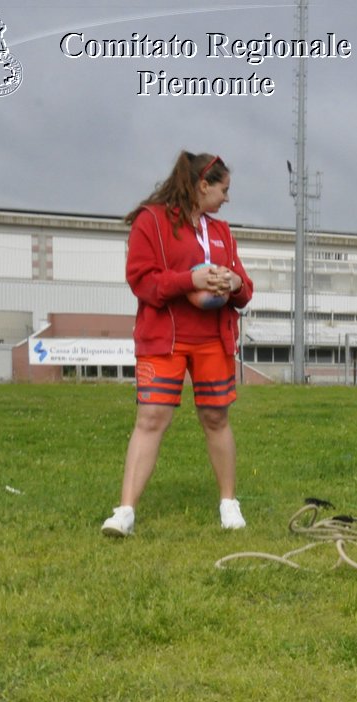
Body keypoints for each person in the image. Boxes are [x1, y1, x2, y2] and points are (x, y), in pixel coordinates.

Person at [102, 151, 253, 537]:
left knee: (216, 418)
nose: (227, 199)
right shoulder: (150, 221)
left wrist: (233, 283)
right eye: (224, 189)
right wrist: (192, 280)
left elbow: (245, 286)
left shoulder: (221, 231)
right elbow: (143, 281)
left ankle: (229, 504)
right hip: (163, 340)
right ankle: (125, 513)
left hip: (213, 341)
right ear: (203, 185)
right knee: (151, 419)